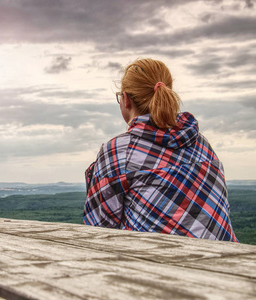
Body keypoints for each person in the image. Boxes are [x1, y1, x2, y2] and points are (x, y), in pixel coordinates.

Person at [83, 58, 238, 242]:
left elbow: (99, 229)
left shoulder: (119, 151)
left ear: (125, 100)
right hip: (225, 263)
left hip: (161, 266)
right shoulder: (201, 142)